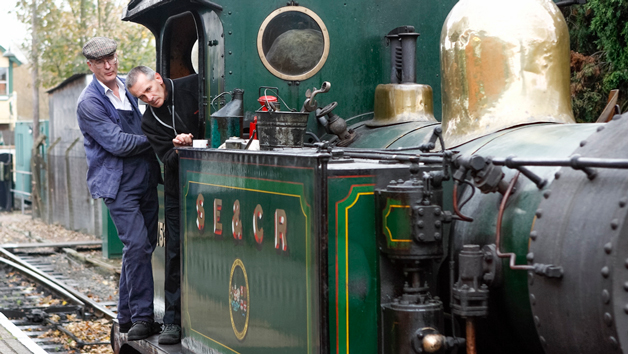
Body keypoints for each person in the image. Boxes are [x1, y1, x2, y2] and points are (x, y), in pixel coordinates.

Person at [76, 38, 161, 341]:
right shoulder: (90, 103)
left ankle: (125, 316)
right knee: (137, 245)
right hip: (118, 184)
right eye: (101, 62)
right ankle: (141, 318)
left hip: (146, 177)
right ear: (91, 65)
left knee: (141, 247)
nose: (109, 65)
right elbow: (117, 143)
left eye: (111, 58)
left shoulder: (130, 86)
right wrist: (159, 138)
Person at [126, 65, 202, 344]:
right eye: (141, 97)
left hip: (214, 181)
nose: (149, 98)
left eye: (148, 90)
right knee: (173, 252)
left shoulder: (196, 85)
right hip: (176, 189)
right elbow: (167, 159)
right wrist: (181, 147)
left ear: (157, 78)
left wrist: (196, 139)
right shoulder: (149, 122)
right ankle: (172, 321)